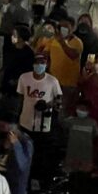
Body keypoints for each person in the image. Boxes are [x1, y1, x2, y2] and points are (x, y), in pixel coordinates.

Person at [17, 54, 62, 186]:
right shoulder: (24, 78)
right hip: (26, 121)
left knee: (40, 153)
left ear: (46, 64)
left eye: (42, 62)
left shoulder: (52, 81)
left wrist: (47, 105)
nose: (39, 65)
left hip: (43, 125)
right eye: (37, 62)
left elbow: (59, 100)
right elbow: (20, 98)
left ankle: (36, 178)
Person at [36, 16, 83, 113]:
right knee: (50, 109)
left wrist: (62, 42)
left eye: (66, 27)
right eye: (61, 27)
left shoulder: (77, 42)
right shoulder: (53, 40)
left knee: (63, 111)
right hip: (53, 81)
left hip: (68, 85)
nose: (63, 30)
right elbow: (44, 53)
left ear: (73, 28)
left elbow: (73, 55)